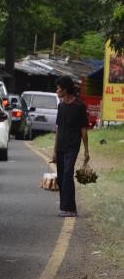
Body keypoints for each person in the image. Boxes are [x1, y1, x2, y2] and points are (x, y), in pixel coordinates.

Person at [52, 76, 90, 217]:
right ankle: (68, 208)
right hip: (61, 146)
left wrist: (86, 150)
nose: (57, 91)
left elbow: (83, 129)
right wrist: (55, 150)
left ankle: (69, 209)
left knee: (68, 174)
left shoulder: (80, 106)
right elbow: (58, 128)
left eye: (58, 88)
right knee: (62, 177)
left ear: (65, 89)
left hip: (73, 146)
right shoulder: (61, 106)